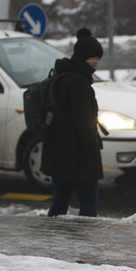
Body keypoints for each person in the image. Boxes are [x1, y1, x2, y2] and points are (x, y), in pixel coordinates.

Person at [42, 28, 104, 217]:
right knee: (88, 204)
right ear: (81, 57)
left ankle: (53, 237)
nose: (94, 62)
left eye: (97, 58)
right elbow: (83, 121)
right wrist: (91, 150)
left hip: (59, 150)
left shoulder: (62, 75)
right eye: (91, 58)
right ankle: (84, 242)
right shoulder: (79, 84)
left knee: (60, 200)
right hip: (78, 154)